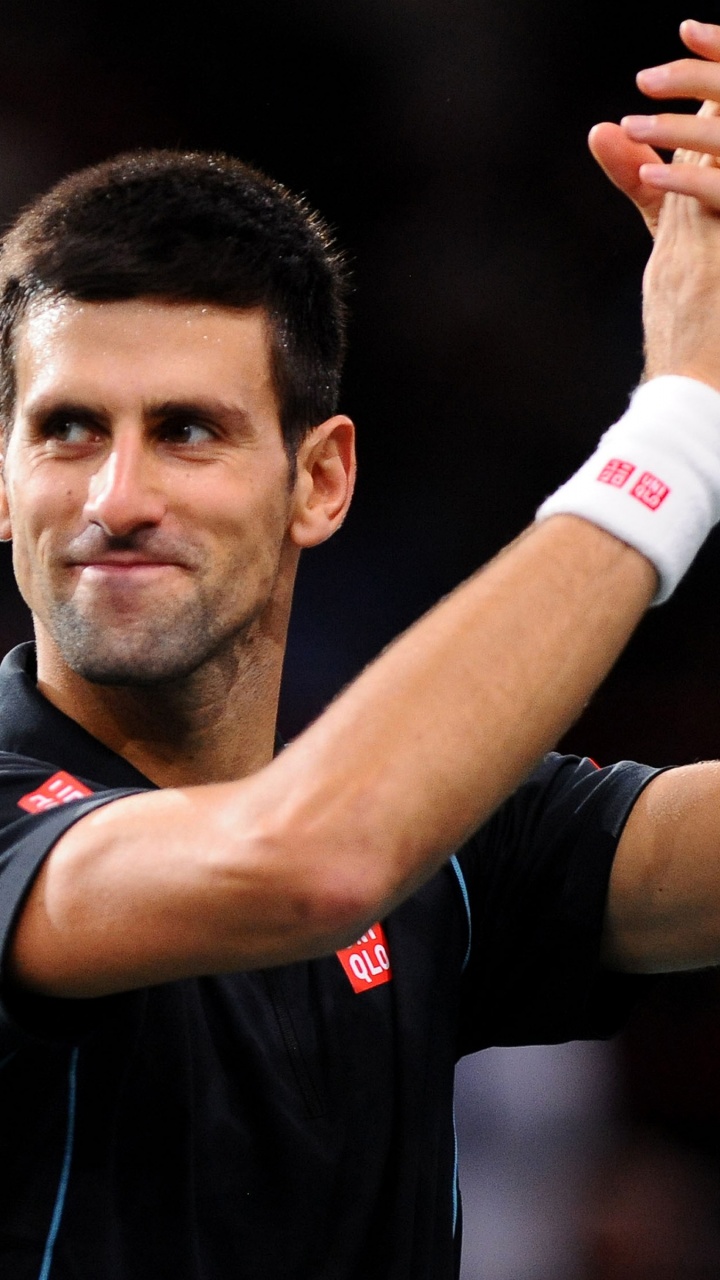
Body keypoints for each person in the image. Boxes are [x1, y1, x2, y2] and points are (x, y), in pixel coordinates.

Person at [2, 15, 720, 1279]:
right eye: (65, 429)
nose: (115, 494)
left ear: (320, 480)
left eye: (186, 431)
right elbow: (314, 859)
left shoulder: (436, 836)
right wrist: (681, 424)